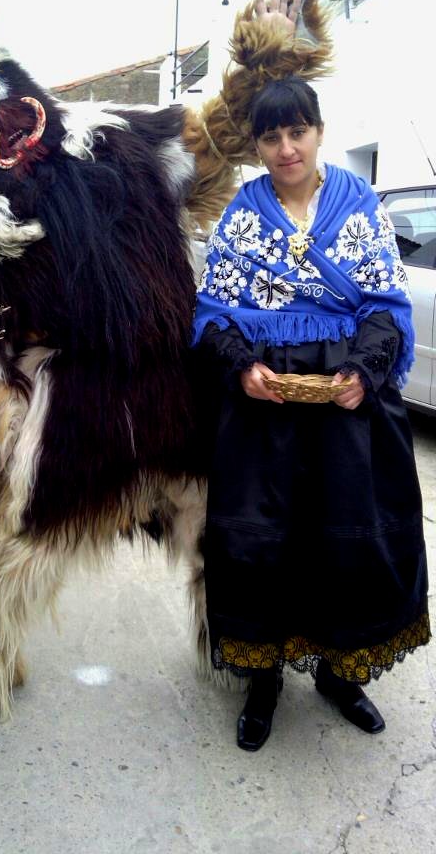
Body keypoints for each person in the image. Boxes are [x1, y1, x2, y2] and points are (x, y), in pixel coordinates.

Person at [192, 72, 430, 751]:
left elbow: (386, 307)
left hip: (347, 415)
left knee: (347, 539)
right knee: (260, 544)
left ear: (319, 131)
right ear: (259, 145)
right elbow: (213, 314)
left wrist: (361, 373)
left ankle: (338, 672)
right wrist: (245, 369)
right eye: (272, 136)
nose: (287, 148)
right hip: (263, 416)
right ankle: (262, 682)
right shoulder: (243, 213)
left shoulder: (359, 206)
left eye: (297, 131)